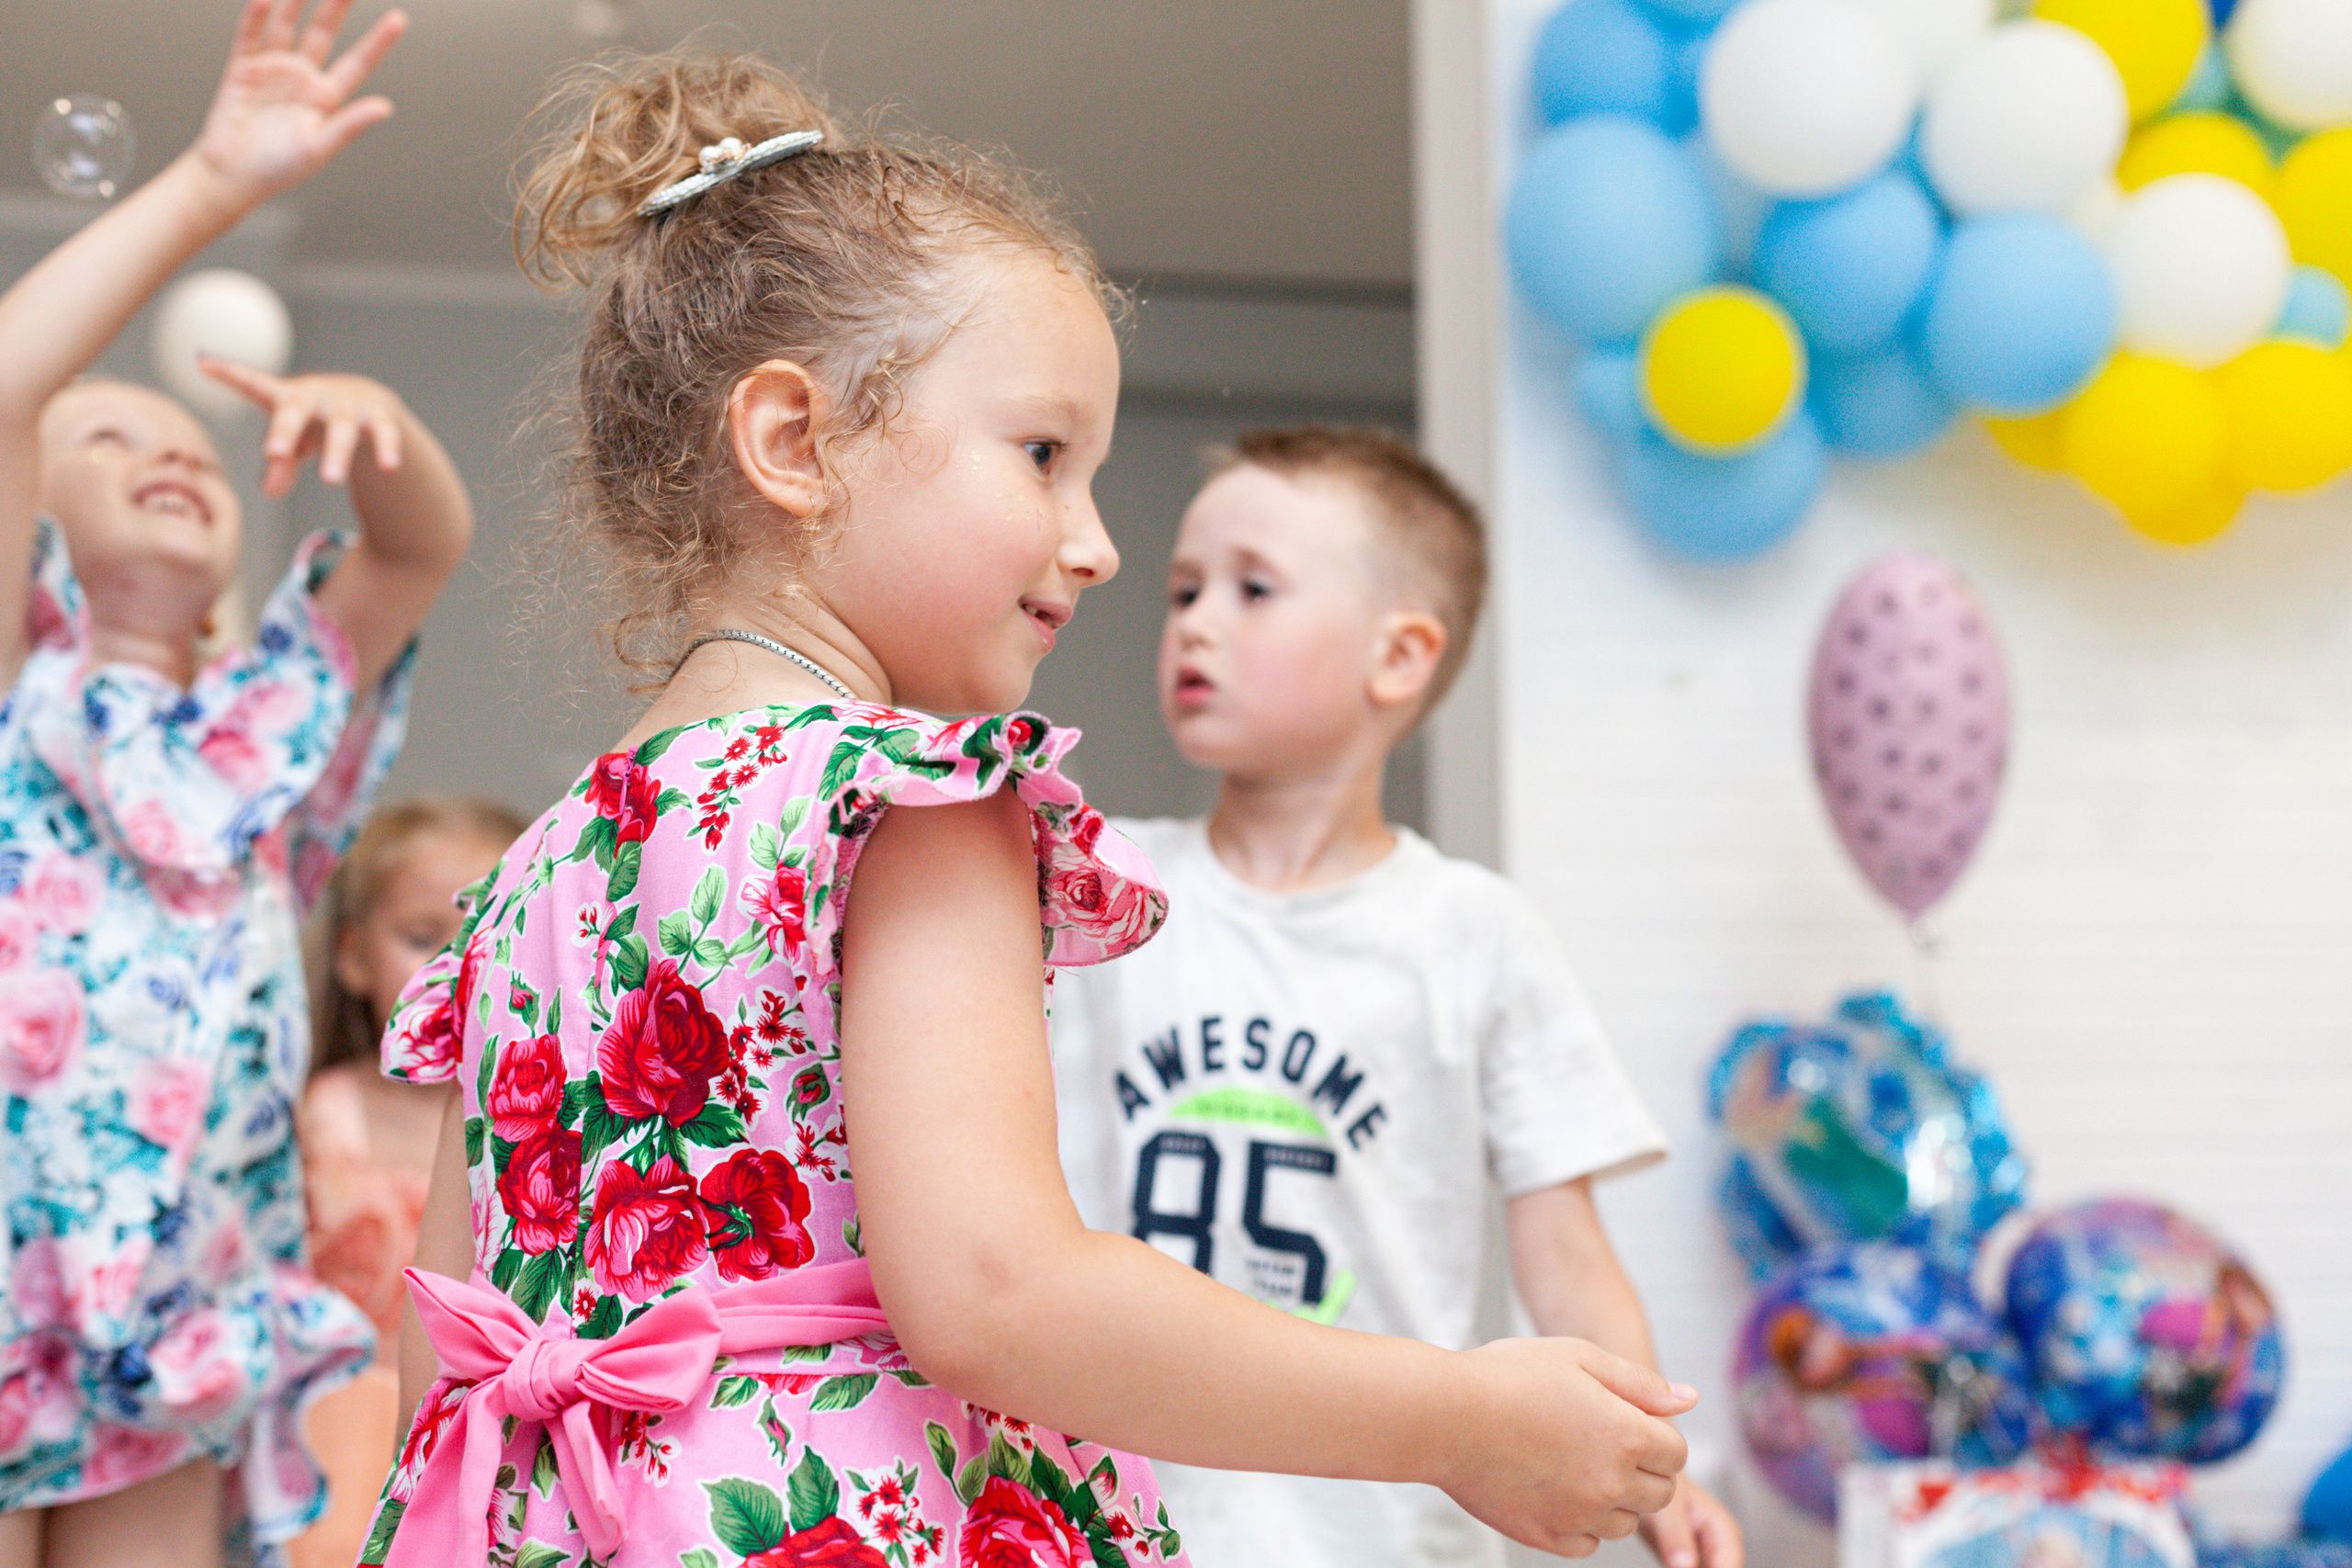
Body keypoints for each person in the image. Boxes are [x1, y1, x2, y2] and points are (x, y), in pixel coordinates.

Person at [357, 51, 1695, 1568]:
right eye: (1044, 456)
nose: (1098, 543)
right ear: (794, 444)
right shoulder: (910, 799)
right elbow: (997, 1289)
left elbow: (446, 1351)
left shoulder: (529, 875)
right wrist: (1451, 1416)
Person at [1050, 426, 1746, 1568]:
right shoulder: (1094, 882)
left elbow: (1564, 1251)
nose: (1195, 621)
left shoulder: (1471, 933)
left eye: (1253, 587)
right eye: (1184, 589)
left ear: (1399, 657)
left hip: (1376, 1529)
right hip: (1112, 1513)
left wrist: (1656, 1461)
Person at [0, 3, 471, 1563]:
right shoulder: (24, 701)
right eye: (113, 430)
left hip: (187, 1302)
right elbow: (8, 383)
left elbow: (416, 546)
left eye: (193, 445)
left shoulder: (271, 735)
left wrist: (388, 435)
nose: (175, 450)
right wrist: (212, 181)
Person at [289, 797, 526, 1568]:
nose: (452, 964)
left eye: (478, 940)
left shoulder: (519, 1124)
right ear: (353, 956)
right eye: (422, 938)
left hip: (474, 1428)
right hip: (327, 1423)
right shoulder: (322, 1114)